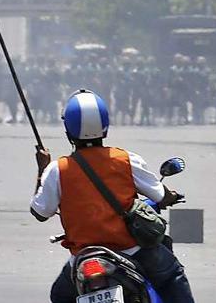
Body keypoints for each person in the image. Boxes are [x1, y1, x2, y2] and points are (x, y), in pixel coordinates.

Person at [31, 90, 193, 303]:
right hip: (132, 251)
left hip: (83, 257)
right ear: (105, 126)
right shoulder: (126, 159)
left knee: (60, 296)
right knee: (173, 276)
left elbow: (40, 212)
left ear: (68, 128)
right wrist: (169, 196)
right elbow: (160, 195)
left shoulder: (56, 170)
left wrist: (42, 170)